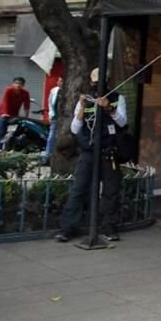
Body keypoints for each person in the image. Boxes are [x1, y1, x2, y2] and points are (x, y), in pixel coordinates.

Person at [55, 68, 127, 243]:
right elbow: (74, 128)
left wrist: (109, 108)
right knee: (78, 190)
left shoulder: (118, 99)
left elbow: (123, 122)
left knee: (111, 191)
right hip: (88, 152)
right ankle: (68, 228)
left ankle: (109, 227)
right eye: (95, 82)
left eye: (101, 81)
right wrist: (83, 108)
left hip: (109, 152)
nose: (97, 85)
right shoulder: (85, 99)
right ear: (91, 81)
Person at [0, 77, 31, 150]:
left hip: (14, 116)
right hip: (4, 114)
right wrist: (5, 113)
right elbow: (5, 101)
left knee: (12, 134)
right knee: (2, 133)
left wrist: (26, 116)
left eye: (20, 84)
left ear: (23, 85)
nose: (18, 85)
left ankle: (8, 150)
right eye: (16, 83)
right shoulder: (8, 90)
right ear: (13, 84)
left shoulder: (25, 93)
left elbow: (26, 105)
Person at [42, 77, 63, 164]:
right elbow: (50, 103)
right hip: (55, 117)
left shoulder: (70, 91)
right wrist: (51, 115)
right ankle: (47, 155)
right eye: (59, 80)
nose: (59, 82)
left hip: (65, 118)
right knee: (51, 137)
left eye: (61, 81)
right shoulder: (54, 90)